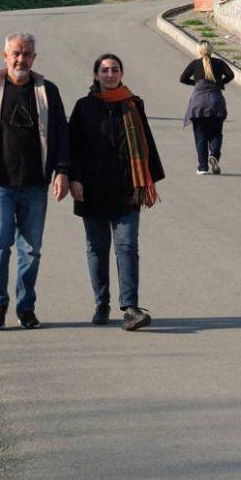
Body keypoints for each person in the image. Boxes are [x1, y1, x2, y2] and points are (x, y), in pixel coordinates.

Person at [0, 32, 70, 331]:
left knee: (31, 249)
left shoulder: (47, 91)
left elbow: (61, 134)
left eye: (27, 54)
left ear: (34, 58)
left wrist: (62, 170)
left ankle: (26, 307)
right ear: (5, 56)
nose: (21, 59)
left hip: (35, 184)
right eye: (16, 54)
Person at [68, 53, 163, 332]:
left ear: (121, 73)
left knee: (127, 246)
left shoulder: (133, 104)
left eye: (115, 70)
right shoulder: (84, 107)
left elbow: (147, 142)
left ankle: (130, 307)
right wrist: (74, 178)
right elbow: (72, 147)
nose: (110, 74)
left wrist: (148, 180)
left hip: (127, 189)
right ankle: (101, 302)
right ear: (96, 74)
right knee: (97, 249)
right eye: (105, 70)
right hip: (92, 189)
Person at [180, 40, 235, 175]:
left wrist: (196, 83)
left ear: (199, 51)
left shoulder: (195, 63)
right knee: (216, 133)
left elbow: (183, 78)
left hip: (198, 104)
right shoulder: (219, 63)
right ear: (211, 50)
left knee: (201, 137)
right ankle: (214, 155)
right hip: (216, 103)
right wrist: (220, 82)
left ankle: (203, 167)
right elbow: (231, 75)